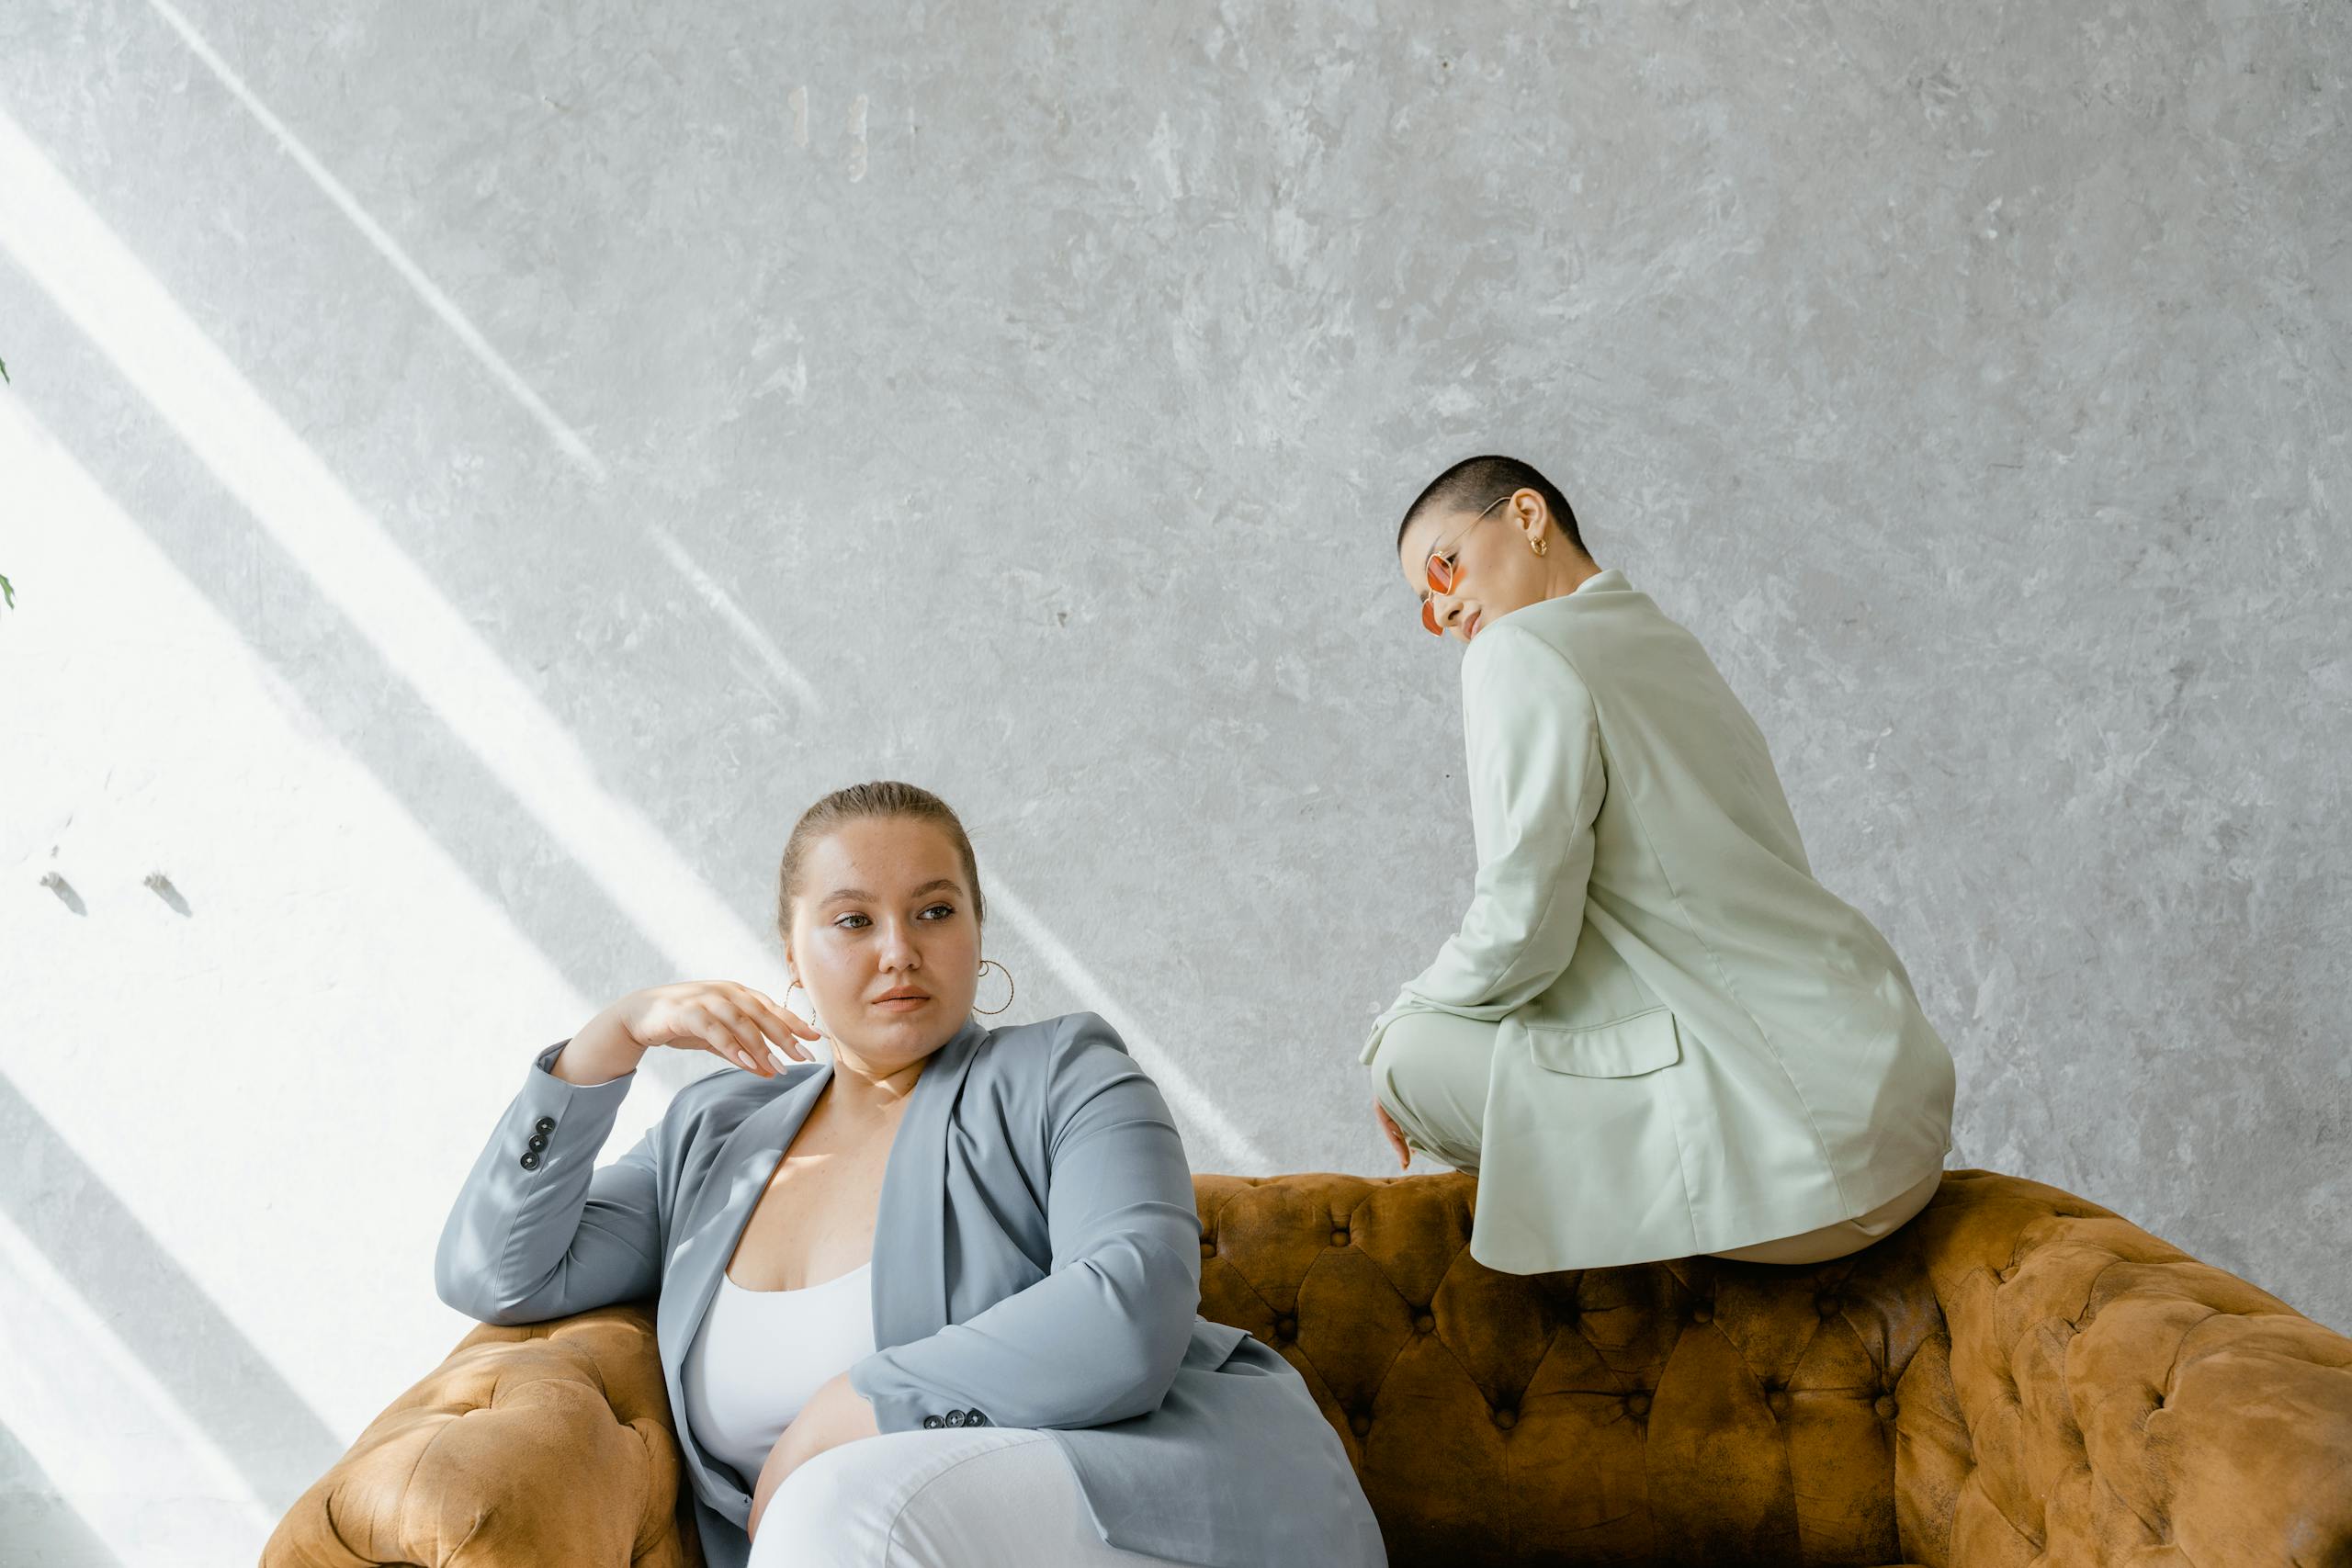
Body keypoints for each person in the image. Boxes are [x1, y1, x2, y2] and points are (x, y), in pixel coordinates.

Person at [435, 780, 1386, 1568]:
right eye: (853, 920)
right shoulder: (712, 1135)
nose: (900, 950)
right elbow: (501, 1272)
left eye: (934, 910)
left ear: (977, 930)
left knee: (836, 1510)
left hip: (1143, 1511)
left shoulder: (1064, 1072)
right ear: (792, 958)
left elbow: (1130, 1308)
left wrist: (853, 1405)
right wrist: (609, 1041)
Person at [1363, 454, 1956, 1276]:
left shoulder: (1517, 650)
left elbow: (1523, 924)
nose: (1445, 607)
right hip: (1896, 1113)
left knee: (1409, 1054)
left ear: (1528, 517)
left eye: (1444, 565)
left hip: (1807, 1156)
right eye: (1425, 605)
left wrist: (1394, 1022)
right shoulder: (1666, 643)